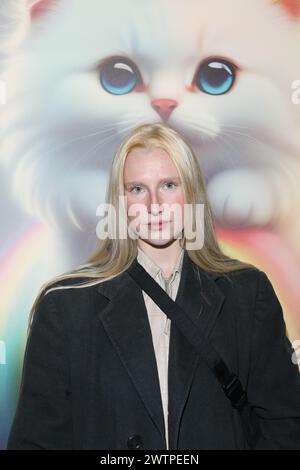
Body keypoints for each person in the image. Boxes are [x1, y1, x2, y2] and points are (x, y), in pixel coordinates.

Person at [6, 123, 300, 450]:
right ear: (120, 202)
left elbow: (284, 425)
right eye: (137, 189)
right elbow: (37, 442)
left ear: (192, 193)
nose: (154, 204)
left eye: (169, 185)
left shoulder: (247, 293)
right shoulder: (64, 306)